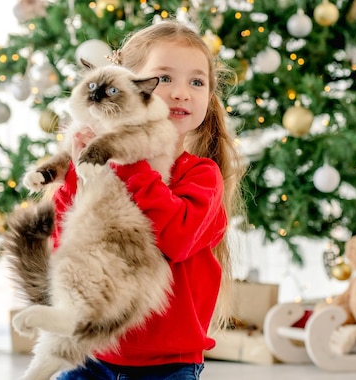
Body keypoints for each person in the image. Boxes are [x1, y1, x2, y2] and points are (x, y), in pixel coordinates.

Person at [53, 20, 245, 379]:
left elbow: (172, 239)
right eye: (165, 79)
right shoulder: (104, 167)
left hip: (167, 366)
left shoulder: (202, 176)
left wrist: (130, 162)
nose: (181, 93)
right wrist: (79, 177)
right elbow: (63, 243)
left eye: (197, 82)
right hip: (92, 353)